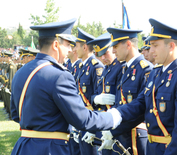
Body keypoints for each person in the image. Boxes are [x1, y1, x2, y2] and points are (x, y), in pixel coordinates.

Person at [10, 18, 116, 155]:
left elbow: (15, 114)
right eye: (67, 45)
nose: (70, 50)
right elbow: (82, 119)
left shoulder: (21, 72)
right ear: (55, 45)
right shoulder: (59, 75)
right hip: (50, 149)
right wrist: (112, 117)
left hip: (23, 147)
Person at [106, 18, 177, 155]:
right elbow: (141, 104)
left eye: (155, 45)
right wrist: (115, 115)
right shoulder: (156, 73)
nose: (150, 51)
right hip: (153, 148)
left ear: (171, 46)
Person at [98, 28, 153, 155]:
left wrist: (113, 131)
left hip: (135, 136)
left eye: (116, 46)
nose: (113, 51)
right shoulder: (125, 68)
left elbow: (142, 108)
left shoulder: (145, 69)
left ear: (128, 44)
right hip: (122, 135)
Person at [81, 33, 125, 154]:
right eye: (100, 55)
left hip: (116, 125)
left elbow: (121, 102)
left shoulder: (121, 68)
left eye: (106, 53)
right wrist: (96, 99)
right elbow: (94, 94)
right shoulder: (106, 69)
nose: (103, 57)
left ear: (113, 49)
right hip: (104, 123)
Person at [75, 27, 105, 155]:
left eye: (76, 46)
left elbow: (99, 99)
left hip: (91, 123)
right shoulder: (82, 67)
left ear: (85, 47)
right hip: (83, 121)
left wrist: (93, 129)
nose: (75, 49)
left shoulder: (96, 66)